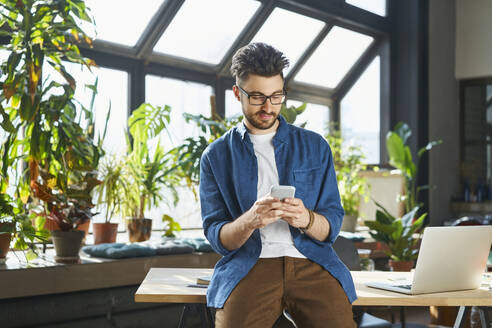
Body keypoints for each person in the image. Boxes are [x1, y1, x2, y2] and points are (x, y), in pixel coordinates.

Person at [199, 42, 357, 328]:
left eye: (277, 96)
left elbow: (331, 223)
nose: (268, 107)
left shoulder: (315, 147)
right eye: (258, 97)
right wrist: (250, 220)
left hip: (312, 263)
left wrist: (306, 218)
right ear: (238, 93)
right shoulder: (216, 156)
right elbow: (218, 237)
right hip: (250, 265)